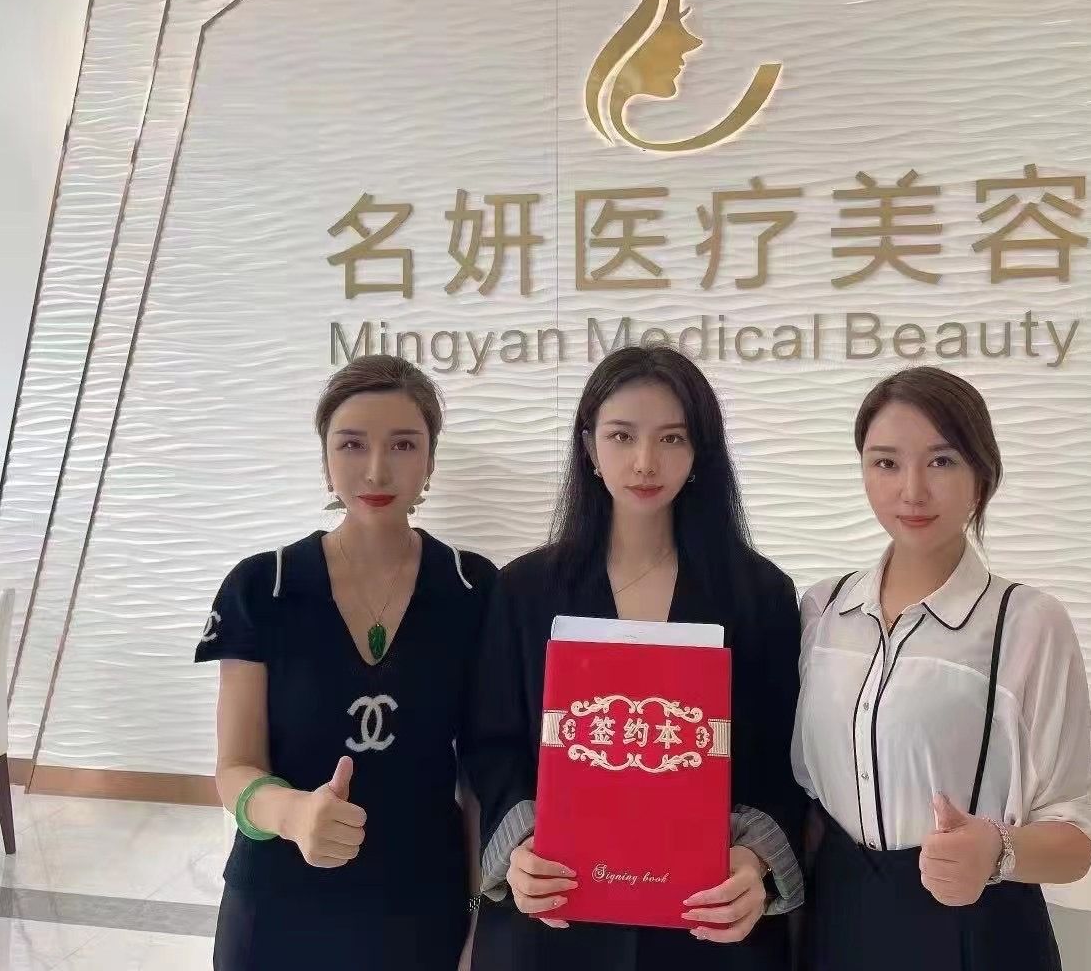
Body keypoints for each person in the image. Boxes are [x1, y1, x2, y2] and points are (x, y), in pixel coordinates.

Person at [466, 344, 805, 971]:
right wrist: (519, 844)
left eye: (672, 438)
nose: (646, 462)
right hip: (556, 919)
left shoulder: (759, 593)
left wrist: (755, 859)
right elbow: (492, 744)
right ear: (589, 447)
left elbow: (783, 759)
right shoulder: (524, 589)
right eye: (622, 436)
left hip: (705, 926)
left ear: (701, 452)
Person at [196, 355, 496, 970]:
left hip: (420, 902)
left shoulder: (472, 588)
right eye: (352, 444)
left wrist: (478, 916)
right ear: (325, 458)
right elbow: (234, 768)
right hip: (277, 904)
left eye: (404, 445)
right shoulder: (264, 587)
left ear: (431, 461)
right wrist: (294, 814)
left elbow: (479, 776)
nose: (377, 469)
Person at [793, 366, 1091, 970]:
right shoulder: (823, 610)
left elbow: (1075, 842)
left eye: (941, 461)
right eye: (886, 463)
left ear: (982, 474)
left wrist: (996, 850)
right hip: (838, 915)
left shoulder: (1027, 622)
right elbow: (805, 797)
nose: (912, 491)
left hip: (973, 927)